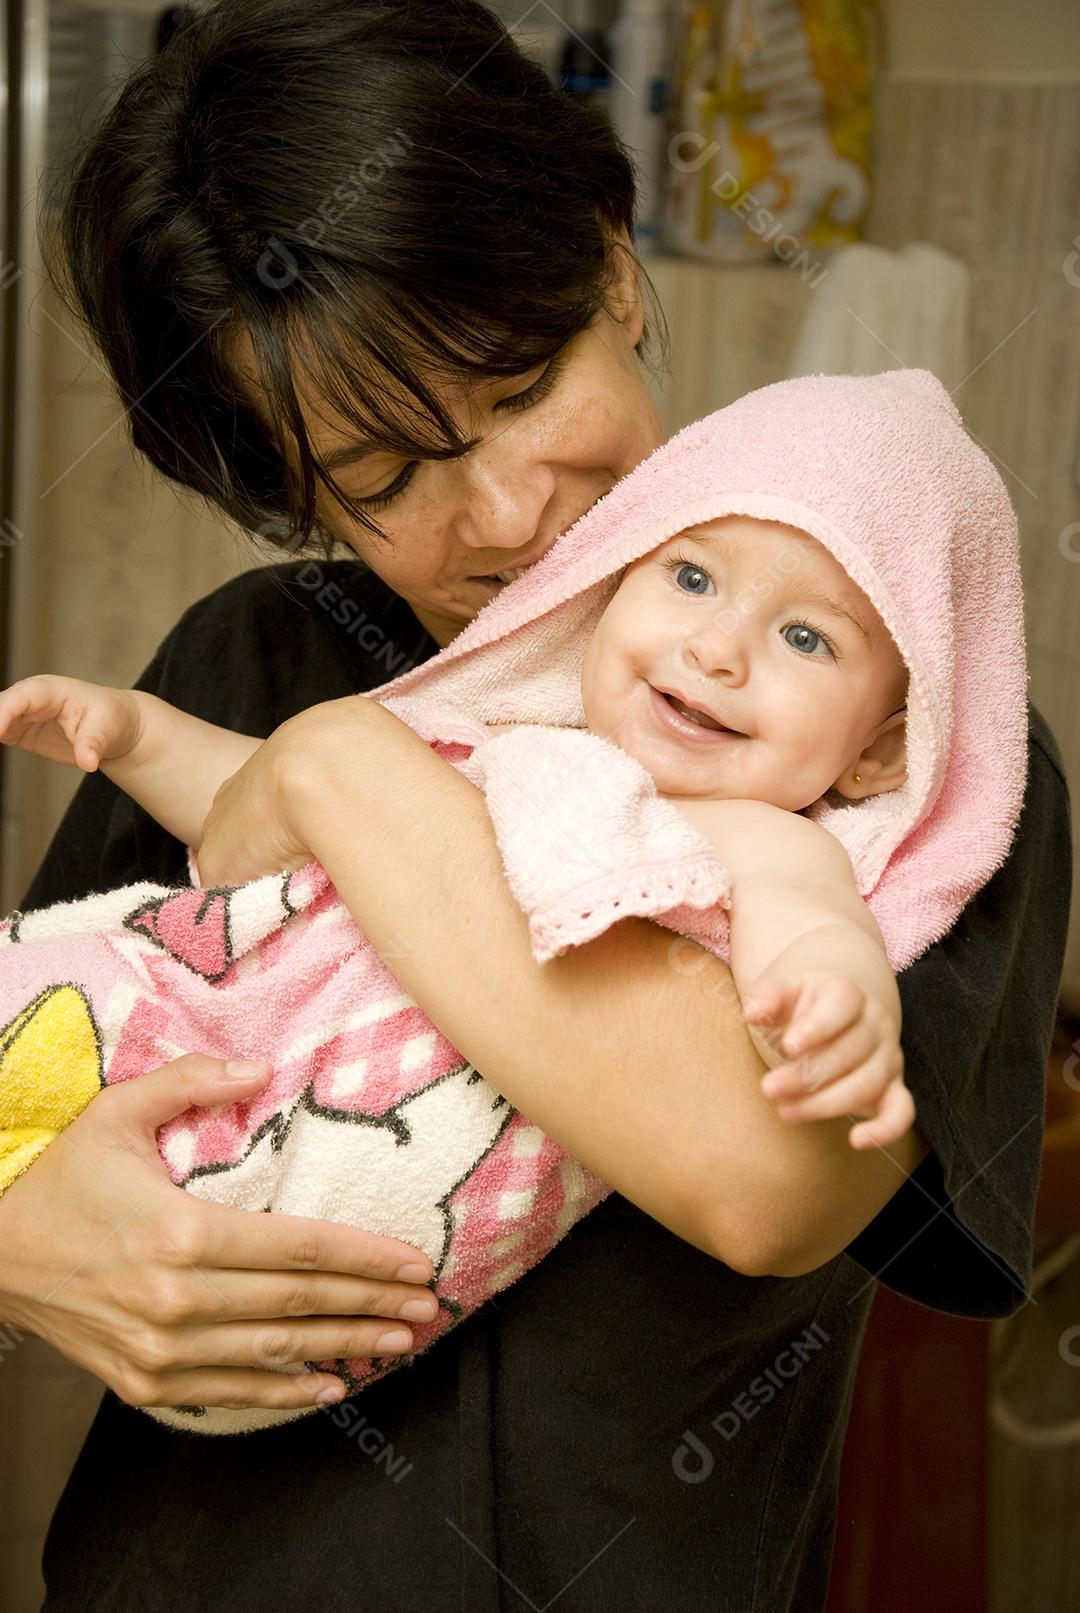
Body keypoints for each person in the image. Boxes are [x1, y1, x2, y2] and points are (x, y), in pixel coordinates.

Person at [0, 2, 1068, 1607]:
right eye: (381, 478)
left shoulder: (900, 738)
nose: (501, 512)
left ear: (614, 267)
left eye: (514, 386)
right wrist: (16, 1236)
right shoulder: (245, 657)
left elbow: (763, 1182)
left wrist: (346, 769)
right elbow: (38, 1052)